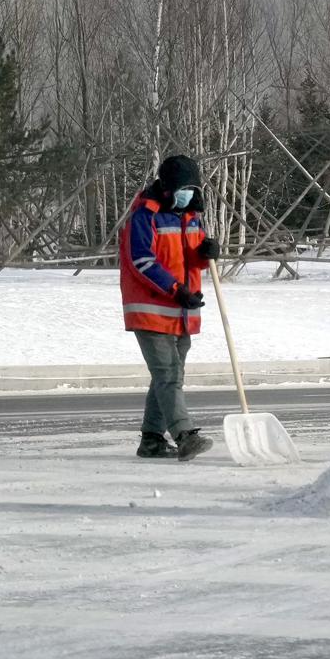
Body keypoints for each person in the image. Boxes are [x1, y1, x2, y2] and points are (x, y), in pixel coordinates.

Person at [119, 153, 220, 461]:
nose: (186, 195)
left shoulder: (190, 217)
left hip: (182, 312)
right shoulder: (144, 217)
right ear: (166, 187)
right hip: (151, 310)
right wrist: (176, 290)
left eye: (191, 189)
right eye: (181, 189)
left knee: (167, 376)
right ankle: (184, 435)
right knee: (169, 374)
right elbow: (142, 261)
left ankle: (151, 440)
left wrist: (207, 253)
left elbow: (192, 260)